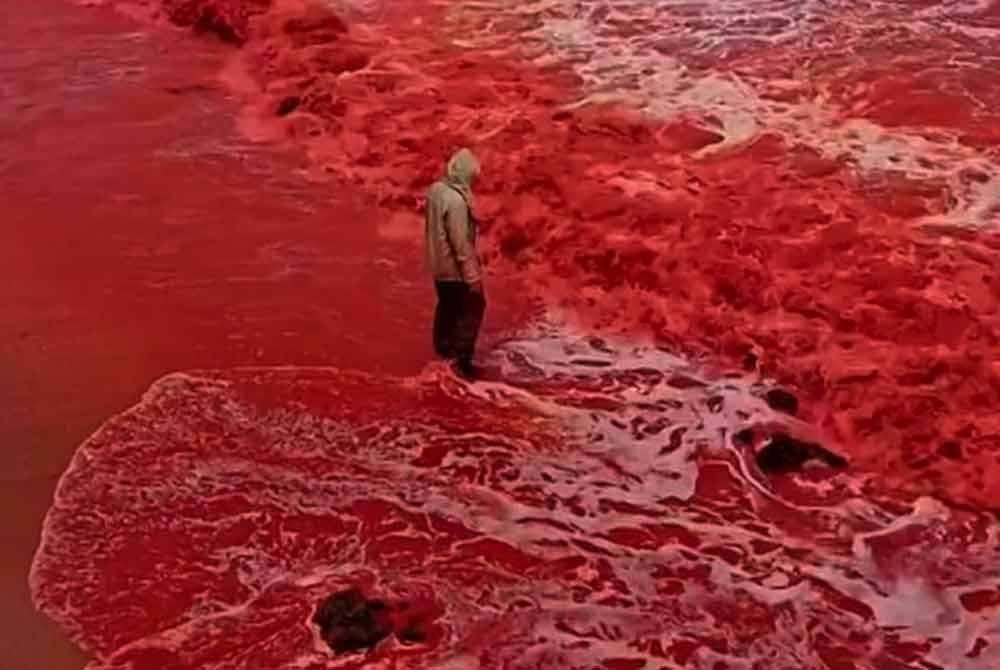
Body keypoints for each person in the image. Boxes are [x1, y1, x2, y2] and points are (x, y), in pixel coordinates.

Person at [425, 148, 486, 379]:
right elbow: (460, 243)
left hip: (438, 267)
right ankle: (462, 363)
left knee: (447, 307)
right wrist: (473, 276)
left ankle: (443, 354)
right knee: (474, 306)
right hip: (455, 269)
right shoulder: (457, 201)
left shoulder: (436, 191)